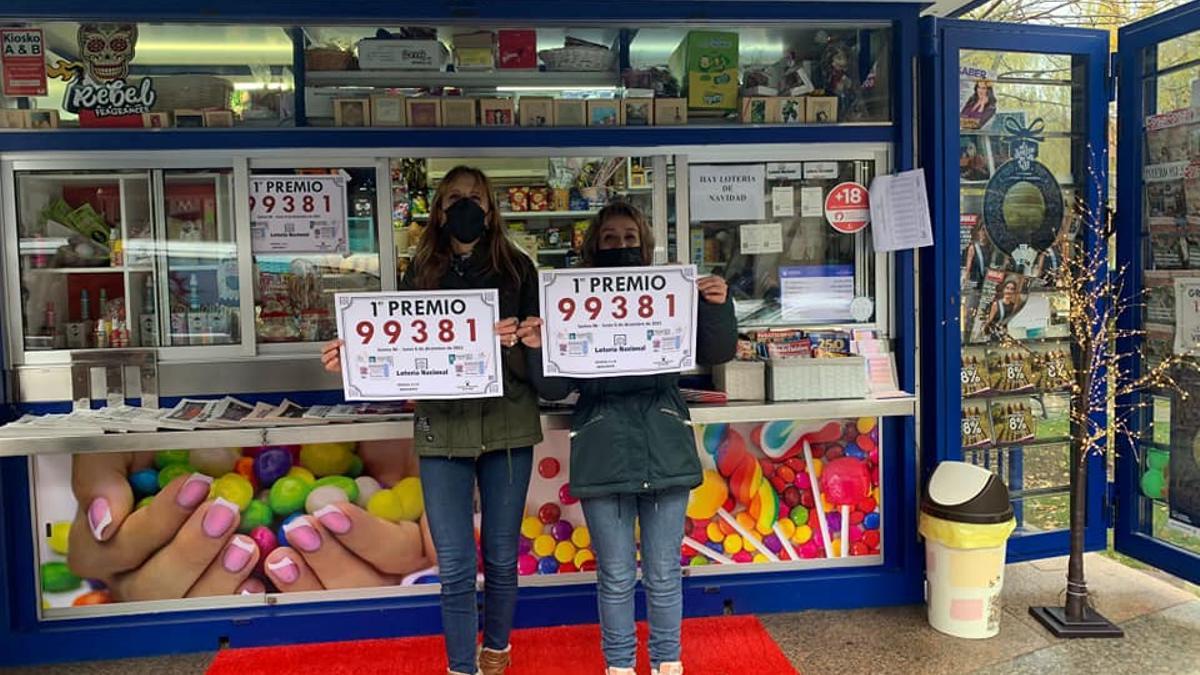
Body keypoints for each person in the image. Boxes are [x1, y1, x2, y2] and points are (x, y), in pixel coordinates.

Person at [323, 166, 541, 675]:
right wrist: (352, 356)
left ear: (491, 210)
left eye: (477, 198)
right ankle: (460, 667)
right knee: (457, 564)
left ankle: (499, 649)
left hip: (507, 423)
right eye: (456, 197)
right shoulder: (419, 270)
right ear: (440, 209)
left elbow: (542, 354)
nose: (467, 206)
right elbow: (394, 344)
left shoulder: (518, 270)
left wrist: (520, 340)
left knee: (503, 556)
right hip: (441, 429)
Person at [515, 202, 738, 675]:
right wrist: (539, 349)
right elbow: (555, 388)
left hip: (663, 444)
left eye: (630, 238)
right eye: (611, 238)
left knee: (662, 576)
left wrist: (718, 307)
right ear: (594, 244)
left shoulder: (669, 294)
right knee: (615, 577)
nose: (621, 246)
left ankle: (667, 664)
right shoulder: (569, 301)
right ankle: (618, 667)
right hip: (603, 447)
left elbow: (716, 350)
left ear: (645, 243)